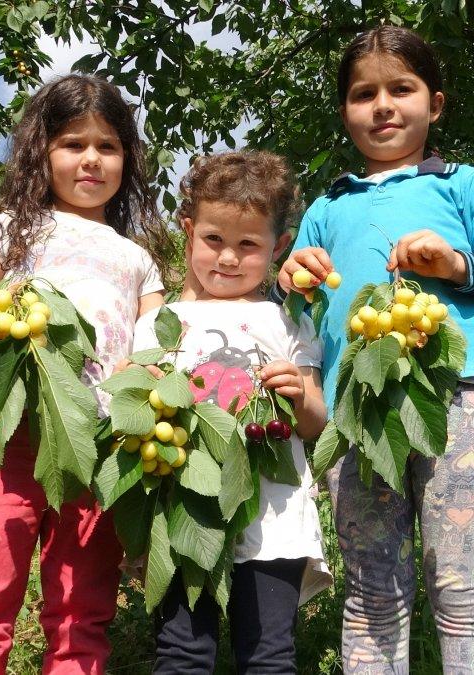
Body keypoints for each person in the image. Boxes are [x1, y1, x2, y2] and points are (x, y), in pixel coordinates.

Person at [275, 26, 474, 674]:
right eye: (365, 93)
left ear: (436, 103)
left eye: (402, 88)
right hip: (356, 410)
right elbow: (303, 314)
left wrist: (454, 263)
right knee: (370, 590)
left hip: (458, 395)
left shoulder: (464, 185)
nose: (384, 105)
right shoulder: (326, 206)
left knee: (463, 585)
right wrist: (293, 280)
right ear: (345, 112)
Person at [0, 73, 168, 674]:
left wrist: (150, 382)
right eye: (72, 144)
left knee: (81, 610)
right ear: (43, 153)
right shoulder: (14, 227)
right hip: (7, 438)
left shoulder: (138, 259)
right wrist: (2, 317)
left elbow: (154, 353)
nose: (90, 159)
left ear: (126, 159)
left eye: (108, 146)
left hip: (98, 448)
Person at [132, 151, 332, 673]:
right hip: (184, 510)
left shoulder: (288, 324)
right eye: (214, 240)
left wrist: (297, 395)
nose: (227, 258)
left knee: (269, 655)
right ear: (188, 230)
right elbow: (133, 414)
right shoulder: (160, 324)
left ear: (278, 247)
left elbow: (315, 423)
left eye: (248, 245)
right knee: (181, 652)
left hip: (272, 516)